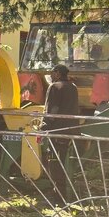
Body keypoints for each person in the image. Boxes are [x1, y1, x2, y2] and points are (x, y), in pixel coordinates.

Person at [41, 64, 79, 199]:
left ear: (57, 73)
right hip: (71, 129)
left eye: (52, 73)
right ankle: (63, 191)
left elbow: (52, 110)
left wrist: (44, 127)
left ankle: (58, 193)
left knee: (54, 161)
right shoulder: (73, 87)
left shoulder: (55, 87)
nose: (51, 75)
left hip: (57, 129)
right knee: (64, 161)